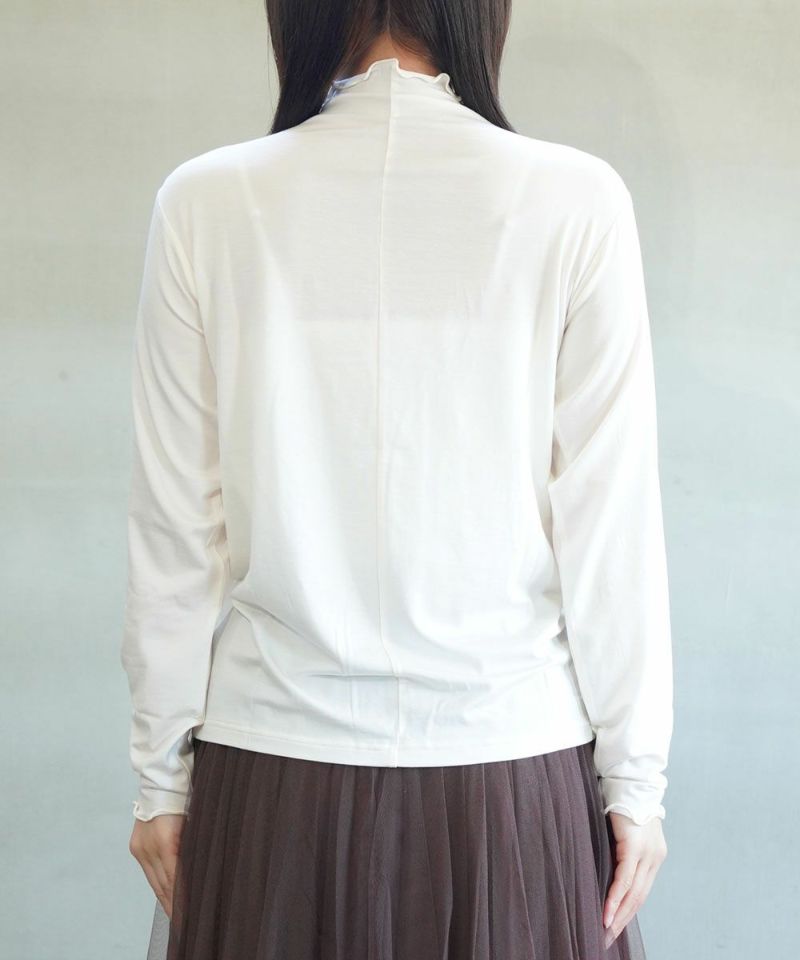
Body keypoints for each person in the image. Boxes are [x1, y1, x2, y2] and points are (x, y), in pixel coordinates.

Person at [122, 3, 673, 958]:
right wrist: (635, 782)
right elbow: (608, 525)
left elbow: (175, 528)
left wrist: (159, 775)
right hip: (508, 770)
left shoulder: (207, 202)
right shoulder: (575, 200)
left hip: (274, 771)